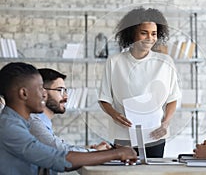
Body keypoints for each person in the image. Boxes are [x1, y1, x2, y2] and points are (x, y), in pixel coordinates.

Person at [0, 62, 137, 175]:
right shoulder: (9, 127)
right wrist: (116, 153)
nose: (44, 94)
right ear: (24, 93)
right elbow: (58, 159)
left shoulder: (21, 123)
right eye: (40, 88)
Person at [98, 7, 181, 158]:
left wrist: (165, 124)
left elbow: (173, 98)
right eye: (144, 33)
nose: (150, 38)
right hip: (123, 135)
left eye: (154, 33)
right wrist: (115, 115)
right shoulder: (115, 62)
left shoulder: (165, 62)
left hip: (155, 134)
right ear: (132, 33)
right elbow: (104, 98)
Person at [29, 68, 110, 175]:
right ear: (42, 92)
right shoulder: (33, 122)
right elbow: (61, 151)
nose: (66, 97)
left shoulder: (42, 122)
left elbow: (60, 147)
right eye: (60, 90)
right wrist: (96, 153)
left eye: (65, 91)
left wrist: (89, 151)